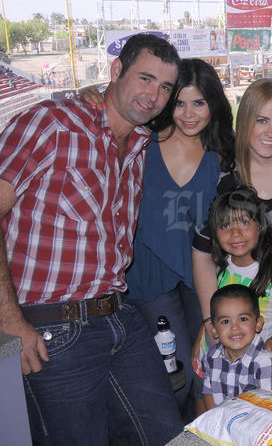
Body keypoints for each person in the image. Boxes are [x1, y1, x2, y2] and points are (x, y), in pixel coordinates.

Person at [0, 33, 183, 444]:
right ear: (116, 70)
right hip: (52, 328)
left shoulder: (138, 146)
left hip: (119, 316)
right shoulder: (52, 123)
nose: (154, 96)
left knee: (171, 436)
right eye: (145, 78)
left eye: (165, 87)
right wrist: (10, 321)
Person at [81, 57, 236, 416]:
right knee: (175, 366)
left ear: (213, 104)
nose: (189, 114)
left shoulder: (223, 156)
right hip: (148, 274)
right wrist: (89, 96)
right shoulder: (141, 140)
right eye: (179, 102)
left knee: (207, 366)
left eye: (199, 102)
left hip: (200, 273)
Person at [192, 79, 272, 354]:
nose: (271, 132)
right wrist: (210, 320)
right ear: (244, 122)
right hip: (252, 305)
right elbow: (202, 249)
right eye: (261, 120)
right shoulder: (225, 176)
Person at [193, 187, 272, 411]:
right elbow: (213, 310)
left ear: (260, 225)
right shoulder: (218, 267)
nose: (235, 233)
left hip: (256, 366)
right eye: (225, 226)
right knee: (206, 414)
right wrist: (200, 338)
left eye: (244, 223)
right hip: (214, 359)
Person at [202, 284, 272, 407]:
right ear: (213, 329)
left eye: (243, 319)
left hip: (263, 422)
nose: (235, 327)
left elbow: (271, 413)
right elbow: (209, 394)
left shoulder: (266, 362)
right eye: (225, 321)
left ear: (258, 323)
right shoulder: (211, 357)